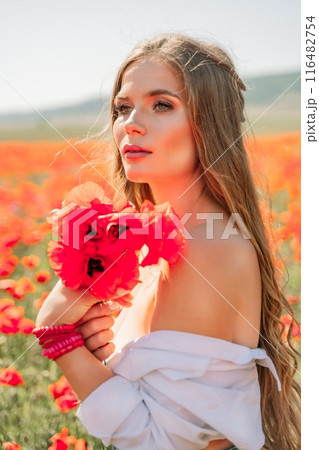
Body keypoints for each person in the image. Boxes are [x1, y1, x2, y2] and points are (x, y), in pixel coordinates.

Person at [36, 33, 301, 449]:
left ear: (210, 123)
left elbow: (160, 443)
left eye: (162, 105)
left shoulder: (208, 248)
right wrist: (103, 360)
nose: (131, 124)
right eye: (123, 108)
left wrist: (57, 334)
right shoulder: (154, 240)